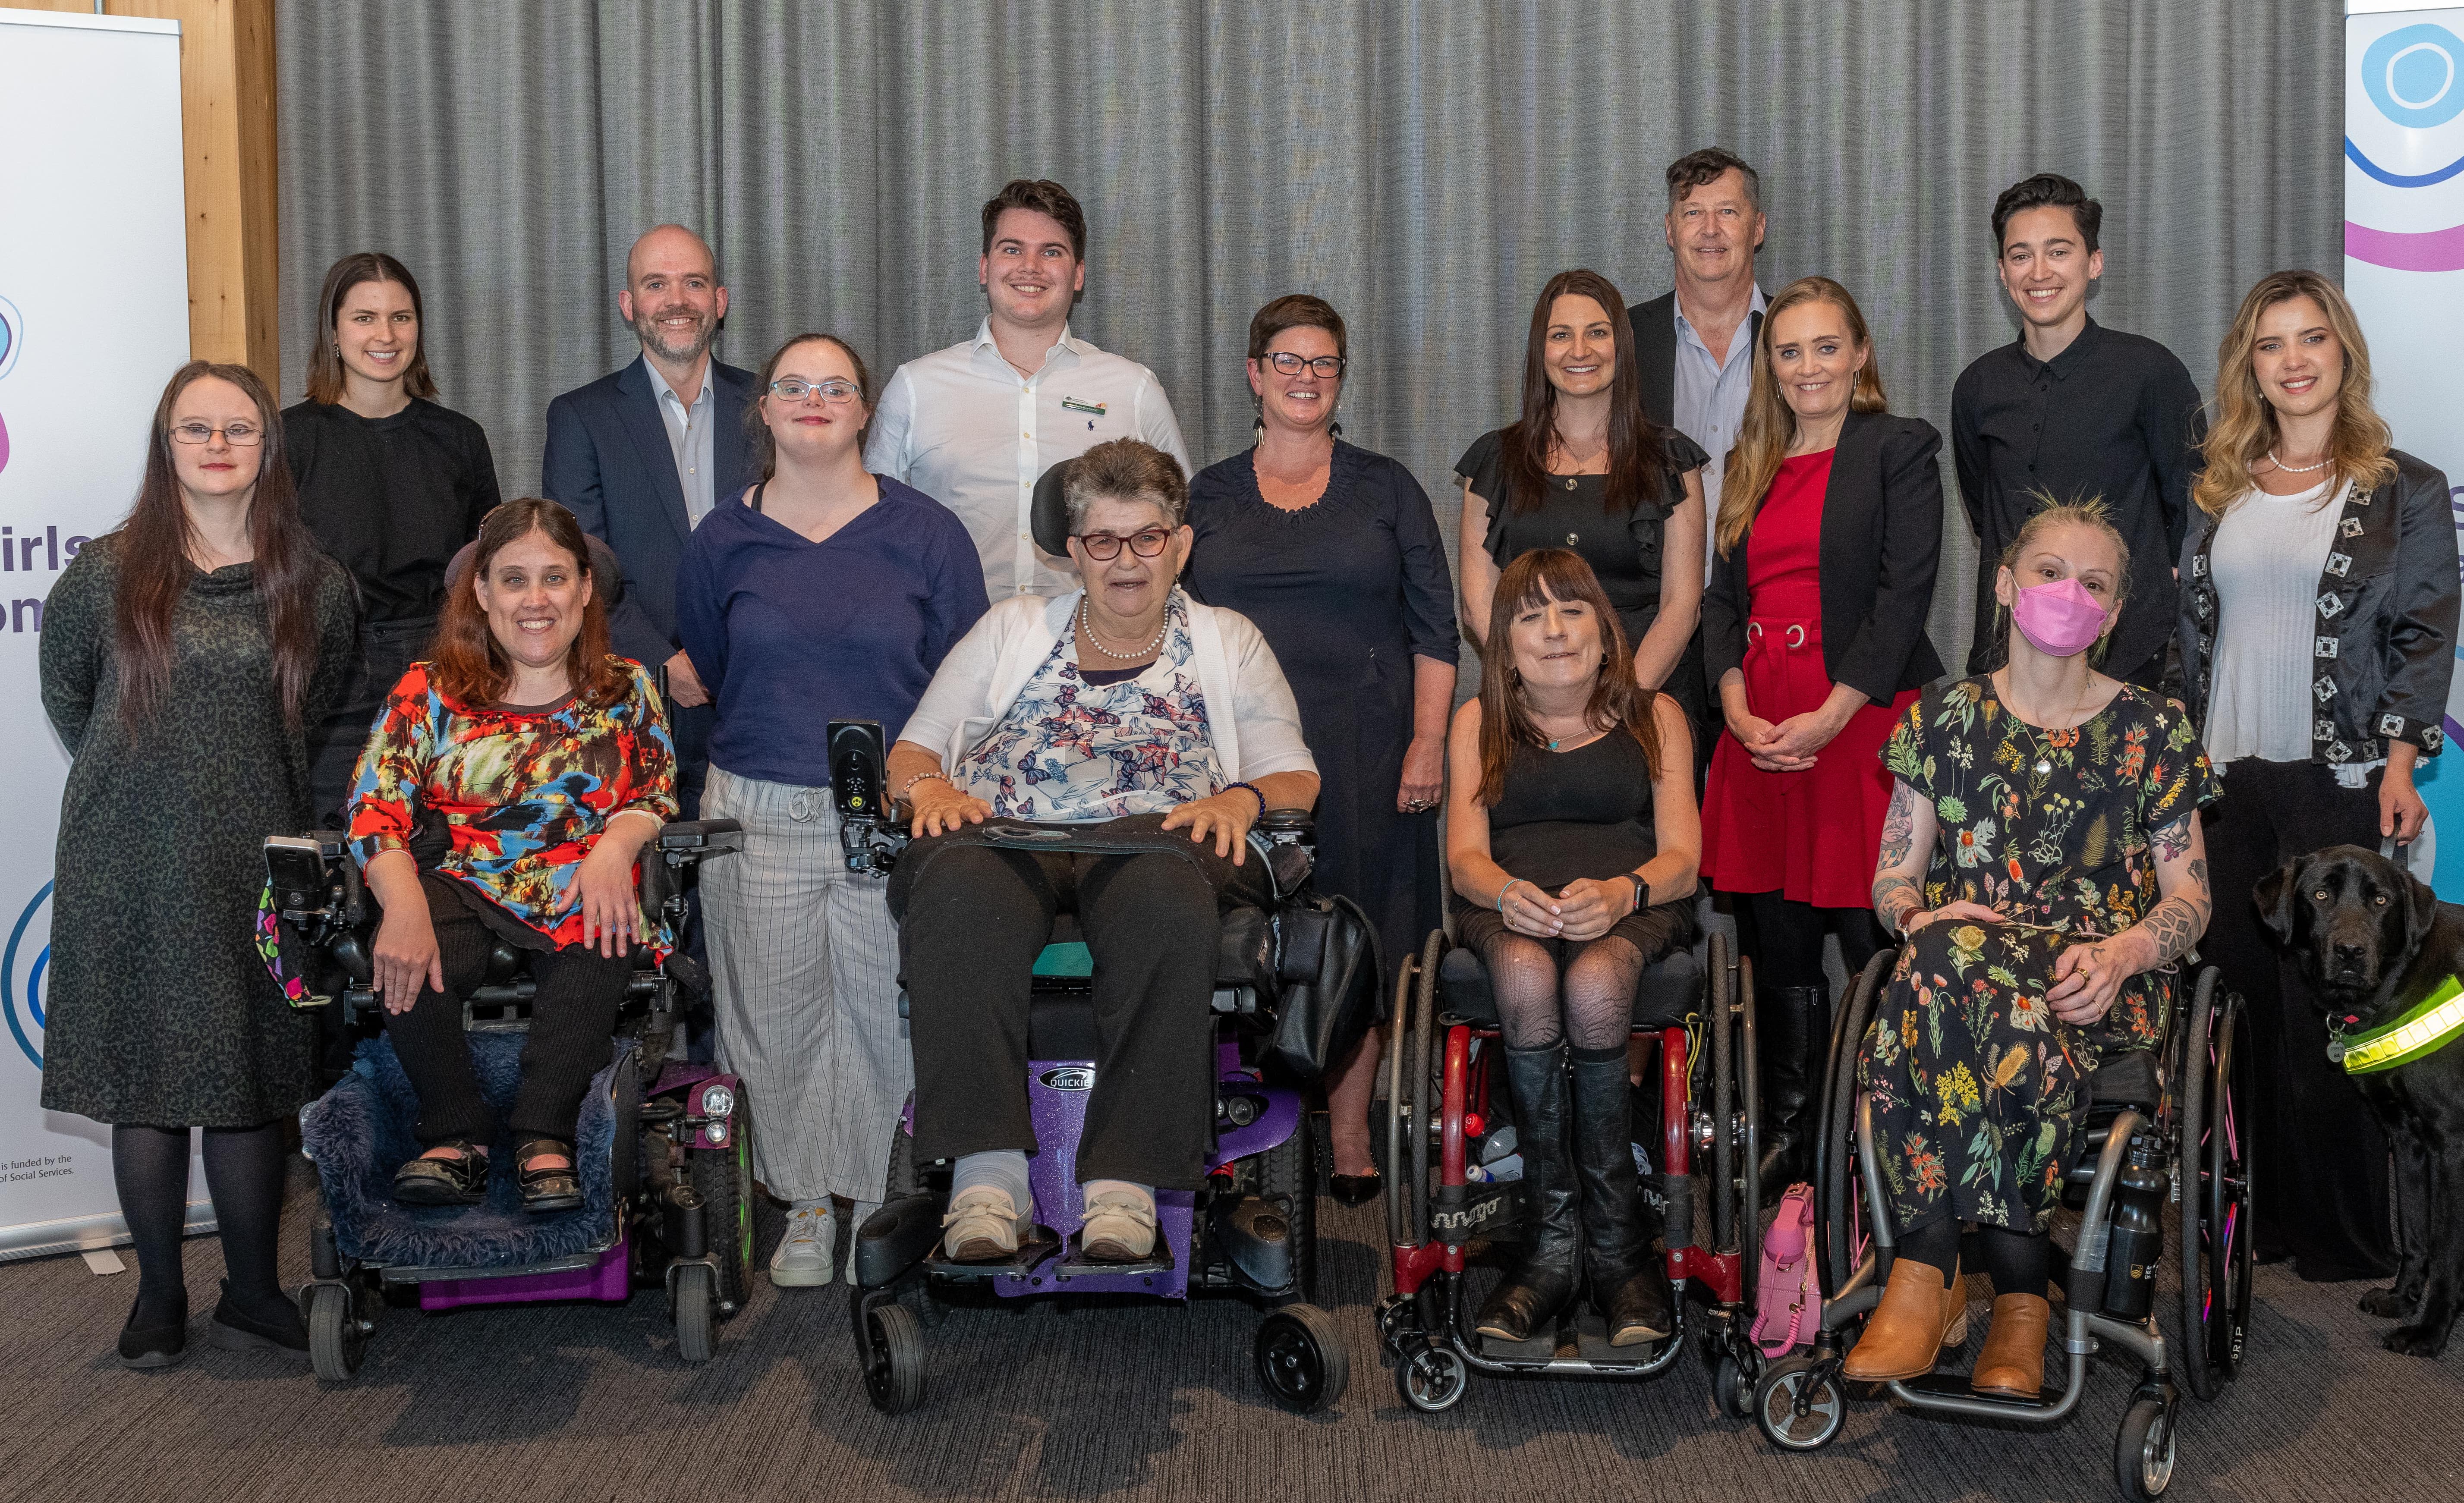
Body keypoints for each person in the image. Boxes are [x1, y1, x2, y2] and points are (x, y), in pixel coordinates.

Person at [884, 439, 1317, 1264]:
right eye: (1103, 541)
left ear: (1180, 544)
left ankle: (1126, 1184)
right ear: (1073, 551)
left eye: (1147, 537)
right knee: (958, 884)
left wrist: (1241, 796)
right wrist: (929, 791)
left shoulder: (1228, 640)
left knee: (1164, 889)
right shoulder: (1012, 626)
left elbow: (1293, 774)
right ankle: (987, 1179)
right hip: (1009, 831)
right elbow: (914, 753)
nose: (1127, 560)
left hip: (1163, 836)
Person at [1853, 502, 2217, 1400]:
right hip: (1958, 981)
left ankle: (1930, 1276)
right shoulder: (1942, 714)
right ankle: (2012, 1294)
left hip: (2094, 983)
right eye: (2047, 571)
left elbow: (2191, 897)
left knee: (1949, 985)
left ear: (2114, 612)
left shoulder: (2152, 727)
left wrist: (2128, 950)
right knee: (1946, 954)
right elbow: (1892, 878)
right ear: (2006, 585)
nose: (2066, 593)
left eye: (2091, 583)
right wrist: (1916, 918)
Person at [39, 360, 357, 1367]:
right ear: (165, 445)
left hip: (258, 861)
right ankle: (159, 1297)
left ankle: (257, 1290)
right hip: (128, 858)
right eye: (195, 429)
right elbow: (69, 696)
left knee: (255, 1073)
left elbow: (319, 704)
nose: (218, 445)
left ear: (268, 445)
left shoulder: (316, 581)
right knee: (151, 1079)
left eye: (238, 428)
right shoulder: (103, 573)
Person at [676, 333, 988, 1287]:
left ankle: (876, 1200)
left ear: (863, 412)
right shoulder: (722, 539)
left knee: (881, 1012)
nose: (814, 400)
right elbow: (711, 667)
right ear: (762, 409)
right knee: (772, 1014)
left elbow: (963, 681)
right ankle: (806, 1202)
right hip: (755, 805)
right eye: (793, 386)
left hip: (888, 812)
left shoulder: (928, 534)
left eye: (836, 387)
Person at [2178, 269, 2458, 1282]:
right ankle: (2262, 1220)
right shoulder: (2216, 485)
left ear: (2341, 353)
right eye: (2268, 343)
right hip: (2227, 782)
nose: (2290, 361)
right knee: (2239, 1013)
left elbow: (2422, 634)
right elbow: (2187, 639)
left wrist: (2397, 761)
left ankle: (2347, 1236)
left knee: (2330, 1024)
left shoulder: (2402, 488)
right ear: (2245, 364)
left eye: (2309, 340)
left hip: (2336, 779)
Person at [1185, 293, 1456, 1207]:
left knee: (1359, 935)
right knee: (1239, 939)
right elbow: (1160, 624)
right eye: (1287, 361)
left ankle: (1346, 1132)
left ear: (1340, 379)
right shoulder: (1205, 496)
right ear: (1254, 374)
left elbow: (1435, 630)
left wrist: (1427, 740)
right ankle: (1236, 1118)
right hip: (1231, 765)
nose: (1305, 377)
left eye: (1323, 363)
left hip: (1367, 751)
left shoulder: (1386, 489)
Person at [349, 499, 679, 1215]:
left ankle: (544, 1130)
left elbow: (656, 791)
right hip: (465, 875)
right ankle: (455, 1131)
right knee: (403, 945)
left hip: (583, 887)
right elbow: (373, 808)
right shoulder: (429, 688)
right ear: (483, 591)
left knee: (607, 922)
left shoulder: (626, 688)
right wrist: (401, 906)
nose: (536, 599)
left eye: (555, 578)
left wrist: (615, 843)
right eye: (515, 578)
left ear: (585, 589)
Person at [1699, 275, 1944, 1192]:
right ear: (1770, 364)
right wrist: (1731, 701)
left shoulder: (1897, 448)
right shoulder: (1747, 461)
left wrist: (1831, 714)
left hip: (1861, 725)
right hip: (1760, 725)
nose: (1807, 368)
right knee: (1779, 947)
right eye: (1788, 351)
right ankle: (1795, 1135)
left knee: (1871, 930)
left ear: (1859, 353)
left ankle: (1885, 1132)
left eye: (1824, 347)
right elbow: (1722, 604)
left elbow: (1901, 593)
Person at [1445, 549, 1701, 1349]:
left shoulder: (1656, 716)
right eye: (1529, 615)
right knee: (1522, 972)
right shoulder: (1473, 721)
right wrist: (1502, 893)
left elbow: (1683, 857)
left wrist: (1624, 890)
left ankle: (1621, 1250)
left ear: (1603, 630)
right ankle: (1549, 1249)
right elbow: (1464, 855)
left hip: (1630, 904)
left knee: (1594, 982)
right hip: (1509, 903)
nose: (1553, 630)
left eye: (1571, 610)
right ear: (1504, 644)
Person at [865, 178, 1190, 601]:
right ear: (985, 267)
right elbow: (870, 527)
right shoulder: (915, 386)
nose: (1030, 266)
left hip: (1095, 647)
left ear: (1077, 275)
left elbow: (1179, 523)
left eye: (1050, 252)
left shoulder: (1134, 389)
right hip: (950, 648)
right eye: (1012, 249)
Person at [1952, 173, 2204, 687]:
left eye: (2058, 251)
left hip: (2127, 659)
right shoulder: (1976, 386)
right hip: (2008, 657)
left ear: (2093, 263)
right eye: (2020, 255)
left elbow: (2195, 511)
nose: (2038, 272)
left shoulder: (2150, 372)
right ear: (2001, 272)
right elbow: (1988, 516)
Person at [542, 223, 756, 814]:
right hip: (632, 694)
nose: (676, 301)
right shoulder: (580, 418)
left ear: (719, 300)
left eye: (694, 283)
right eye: (656, 285)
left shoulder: (768, 406)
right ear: (629, 305)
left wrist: (742, 654)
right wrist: (665, 664)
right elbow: (578, 564)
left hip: (757, 689)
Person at [285, 252, 500, 827]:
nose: (385, 334)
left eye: (401, 318)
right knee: (336, 866)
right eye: (364, 318)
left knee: (437, 852)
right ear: (333, 333)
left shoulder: (459, 440)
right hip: (329, 686)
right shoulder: (288, 441)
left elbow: (485, 578)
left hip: (442, 675)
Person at [1459, 269, 1712, 758]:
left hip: (1646, 710)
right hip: (1526, 713)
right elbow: (1478, 604)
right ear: (1540, 350)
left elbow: (1682, 606)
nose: (1580, 350)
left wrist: (1616, 708)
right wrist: (1538, 702)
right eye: (1561, 335)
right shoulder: (1494, 461)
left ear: (1622, 345)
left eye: (1597, 332)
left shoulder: (1671, 461)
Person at [1625, 147, 1770, 589]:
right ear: (1670, 230)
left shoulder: (1801, 342)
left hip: (1771, 604)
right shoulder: (1621, 342)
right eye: (1692, 213)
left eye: (1727, 211)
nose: (1710, 229)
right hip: (1651, 608)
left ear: (1757, 228)